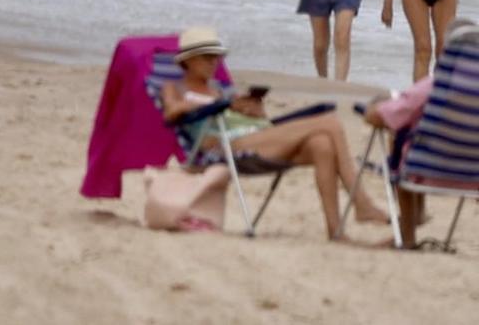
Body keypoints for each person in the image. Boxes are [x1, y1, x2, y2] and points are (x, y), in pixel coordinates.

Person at [158, 26, 384, 241]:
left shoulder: (219, 89)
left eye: (216, 57)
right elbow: (171, 113)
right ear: (188, 59)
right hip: (227, 147)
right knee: (331, 123)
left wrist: (254, 111)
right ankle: (362, 203)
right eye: (207, 56)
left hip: (256, 138)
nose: (213, 62)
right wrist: (213, 104)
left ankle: (336, 232)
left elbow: (256, 122)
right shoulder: (175, 88)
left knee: (321, 143)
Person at [364, 16, 479, 245]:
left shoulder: (434, 86)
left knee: (401, 137)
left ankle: (408, 236)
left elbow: (379, 117)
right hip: (473, 178)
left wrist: (374, 106)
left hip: (425, 172)